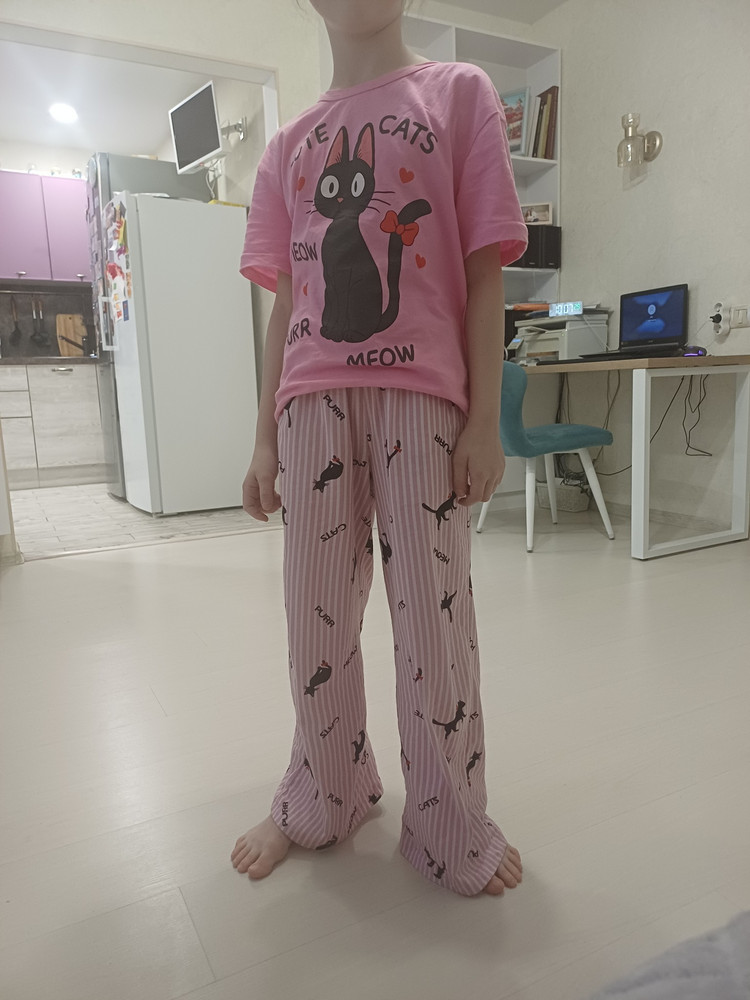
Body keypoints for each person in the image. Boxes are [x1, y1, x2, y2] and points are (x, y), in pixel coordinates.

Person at [230, 0, 528, 897]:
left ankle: (449, 822)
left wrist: (484, 421)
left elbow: (484, 270)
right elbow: (287, 306)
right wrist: (262, 440)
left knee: (435, 622)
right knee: (313, 616)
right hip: (309, 406)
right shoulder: (289, 146)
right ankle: (325, 794)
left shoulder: (460, 94)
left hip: (422, 403)